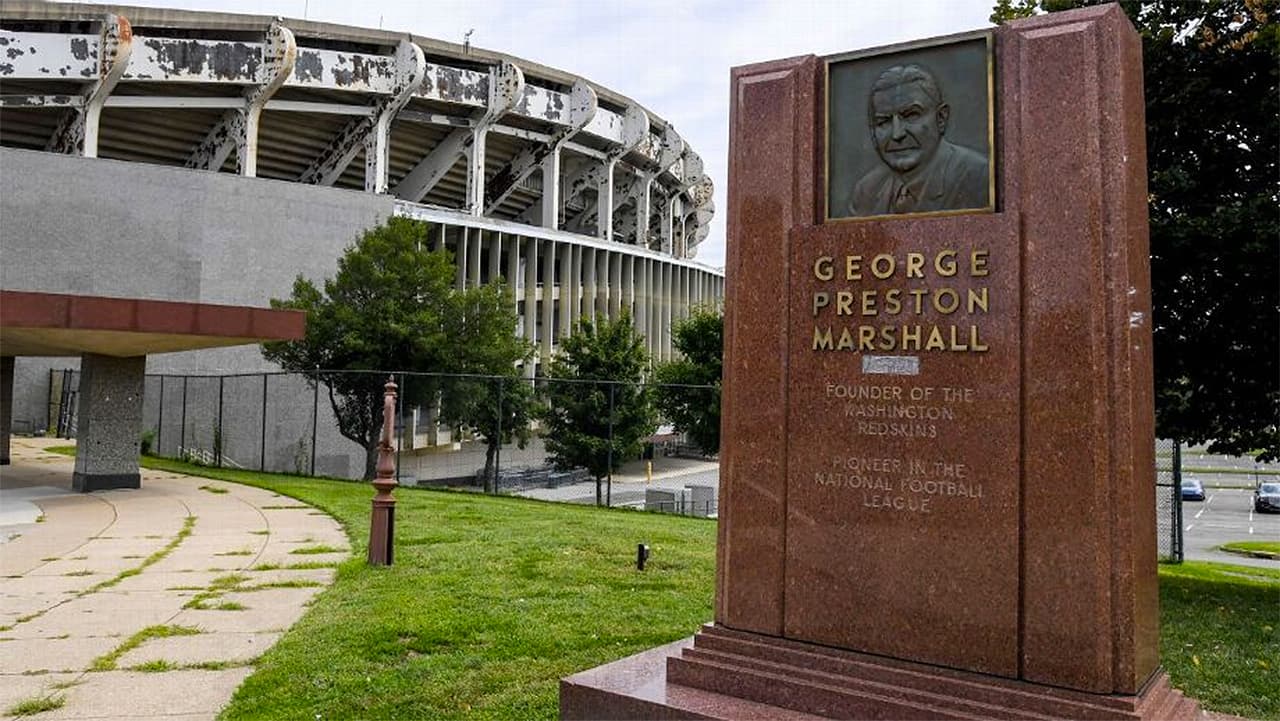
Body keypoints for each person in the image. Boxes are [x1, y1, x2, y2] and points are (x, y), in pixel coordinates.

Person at [847, 63, 989, 217]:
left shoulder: (980, 178)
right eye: (883, 121)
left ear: (941, 118)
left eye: (911, 115)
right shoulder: (866, 190)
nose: (897, 134)